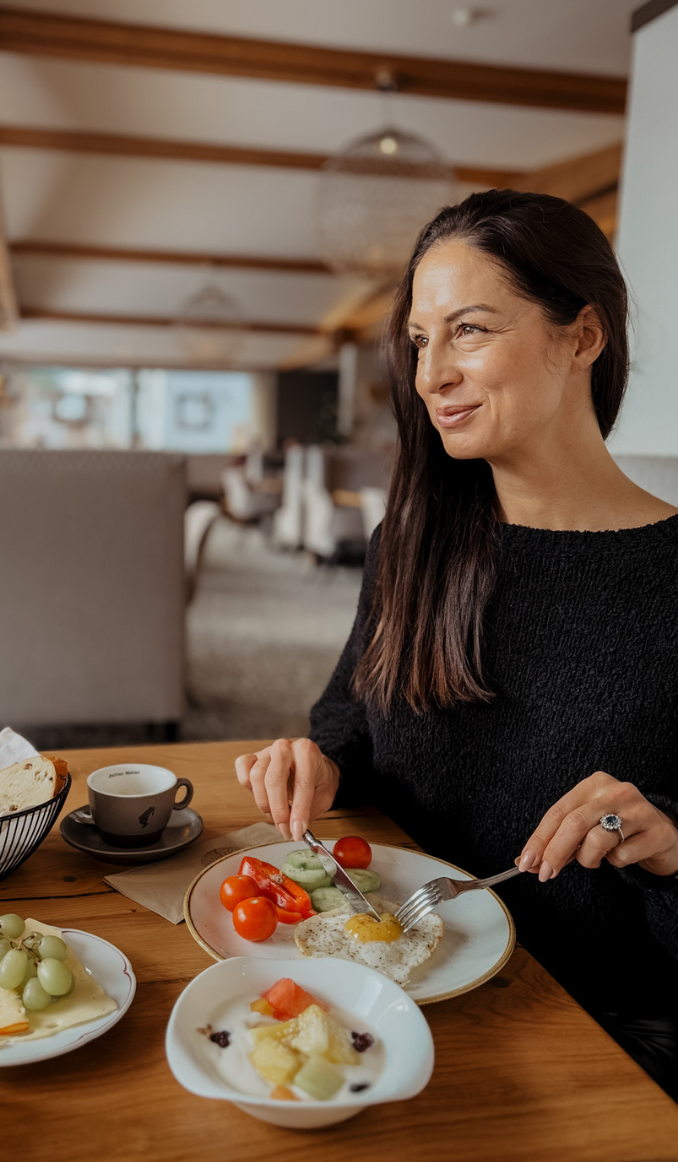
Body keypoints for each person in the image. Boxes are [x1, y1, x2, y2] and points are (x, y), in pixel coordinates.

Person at [235, 189, 678, 1099]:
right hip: (380, 993)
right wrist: (318, 761)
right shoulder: (416, 539)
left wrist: (670, 840)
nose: (431, 372)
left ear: (582, 335)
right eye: (421, 340)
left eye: (469, 329)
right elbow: (348, 717)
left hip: (590, 1034)